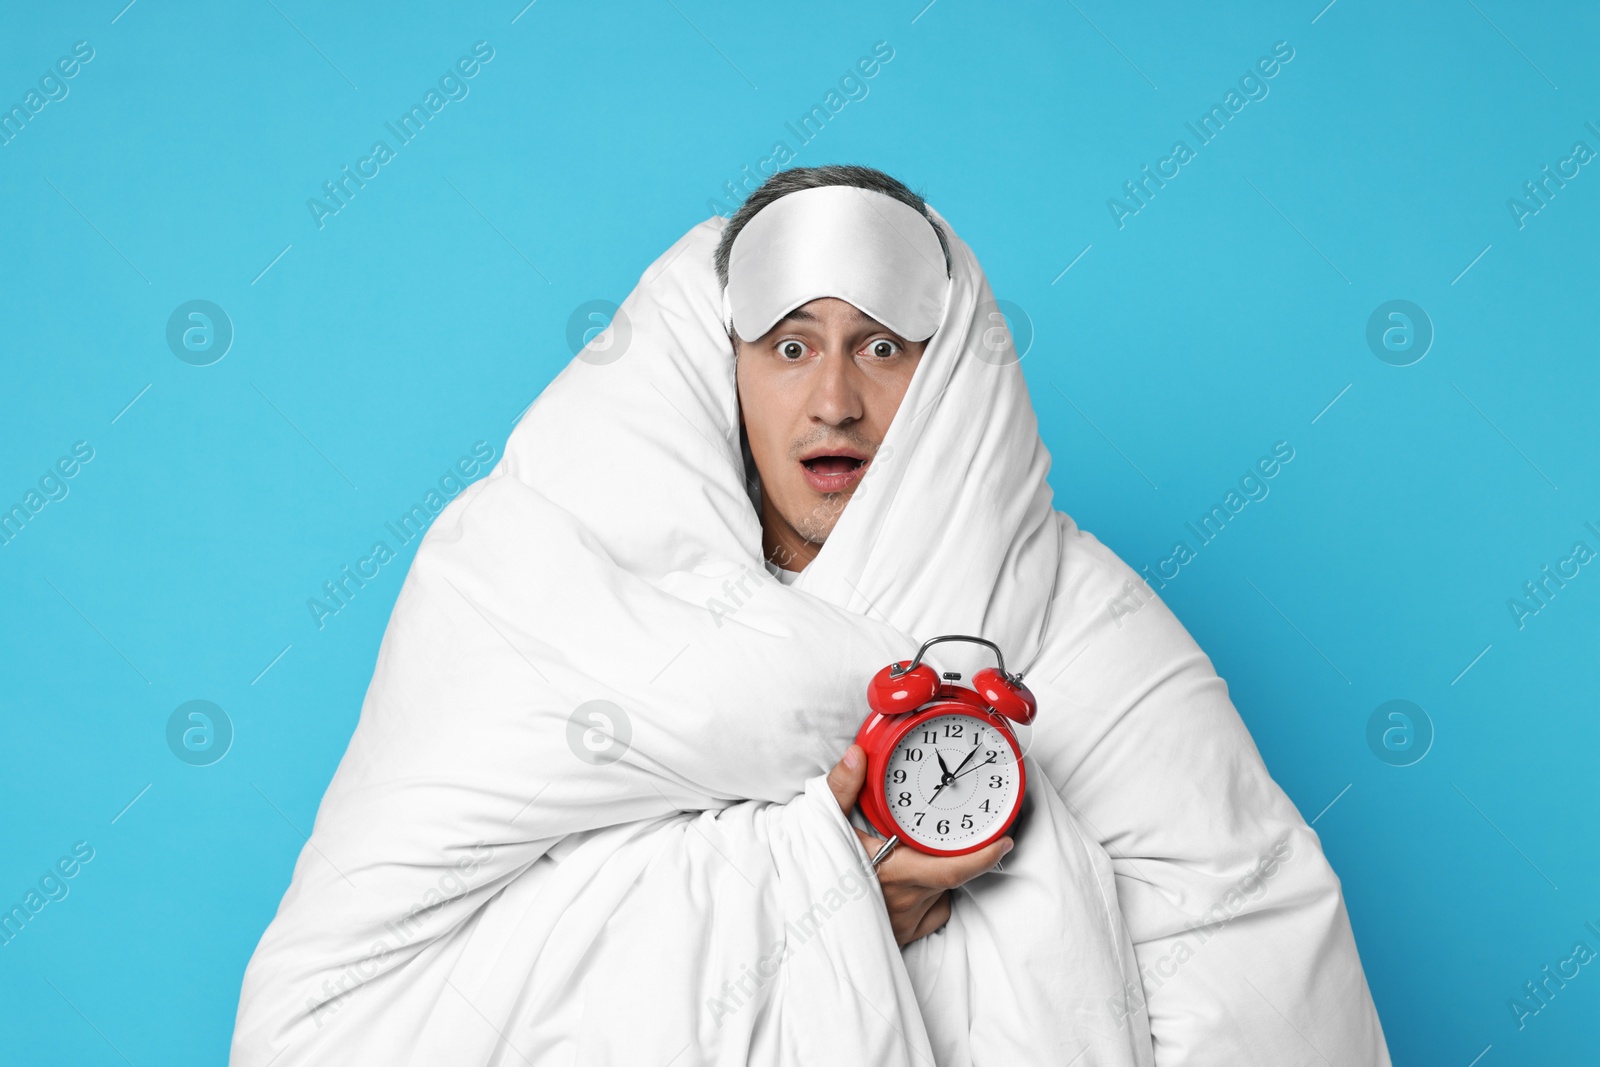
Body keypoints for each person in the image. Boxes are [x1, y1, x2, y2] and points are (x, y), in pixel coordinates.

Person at [231, 165, 1390, 1065]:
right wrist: (827, 890)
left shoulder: (1087, 628)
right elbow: (342, 1012)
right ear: (716, 361)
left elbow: (1259, 968)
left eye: (881, 348)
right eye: (790, 346)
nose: (834, 398)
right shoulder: (531, 582)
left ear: (945, 373)